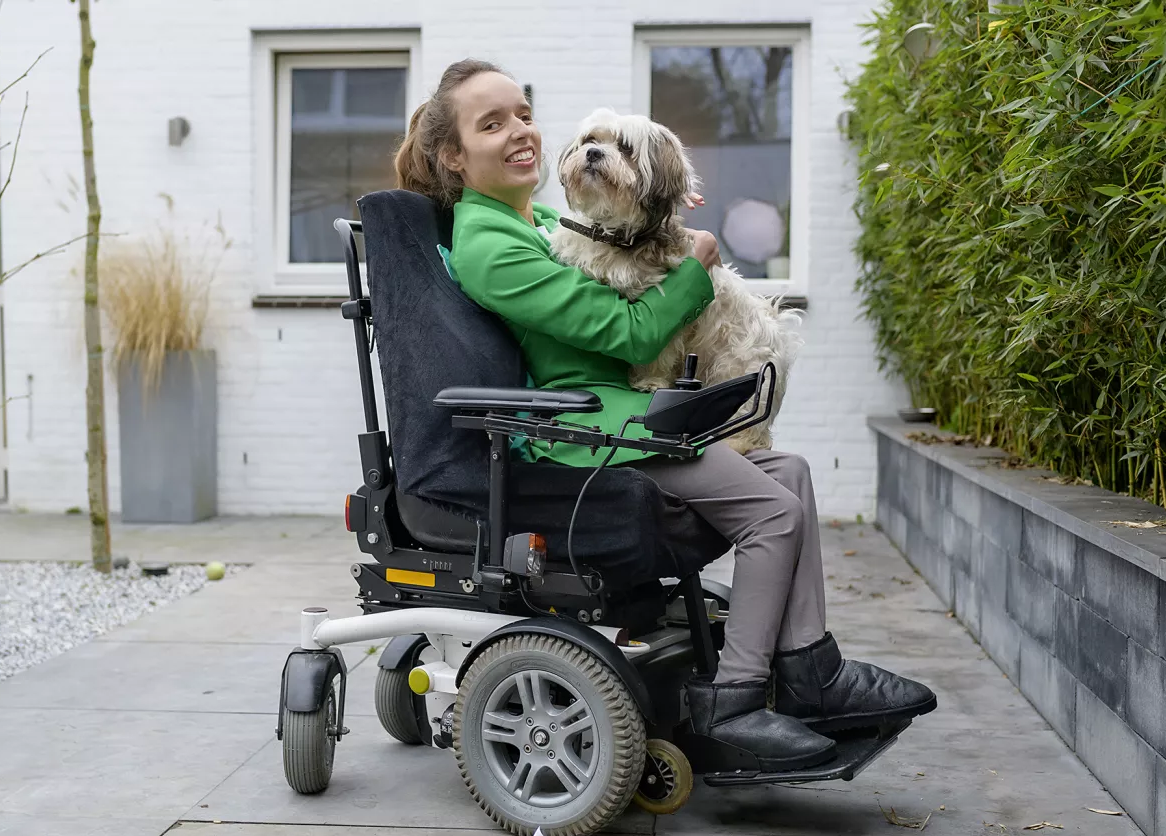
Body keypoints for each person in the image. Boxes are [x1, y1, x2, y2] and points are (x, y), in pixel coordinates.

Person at [394, 59, 935, 771]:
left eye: (523, 113)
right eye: (492, 124)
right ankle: (735, 698)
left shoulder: (542, 218)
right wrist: (695, 263)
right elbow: (630, 334)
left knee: (792, 474)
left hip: (624, 417)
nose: (520, 132)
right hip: (586, 429)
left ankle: (811, 673)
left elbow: (624, 251)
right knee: (773, 515)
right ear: (454, 158)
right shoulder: (489, 245)